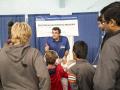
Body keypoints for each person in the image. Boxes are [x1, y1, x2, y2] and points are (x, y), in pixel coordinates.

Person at [0, 22, 50, 90]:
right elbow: (44, 78)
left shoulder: (1, 53)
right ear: (28, 35)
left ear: (12, 34)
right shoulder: (34, 53)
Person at [93, 7, 120, 90]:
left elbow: (103, 83)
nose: (102, 25)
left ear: (112, 22)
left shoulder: (112, 43)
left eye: (104, 22)